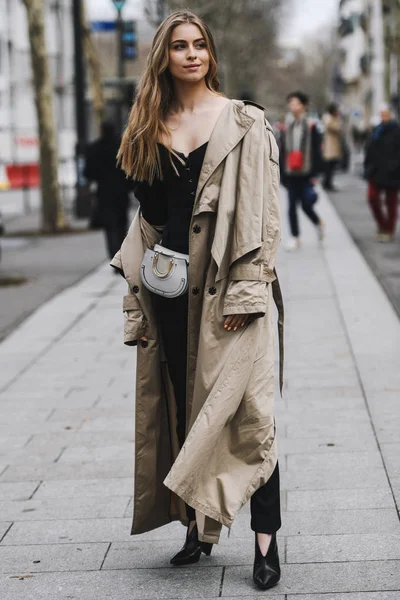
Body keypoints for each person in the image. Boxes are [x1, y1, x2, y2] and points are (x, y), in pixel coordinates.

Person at [110, 10, 283, 592]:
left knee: (249, 414)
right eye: (180, 46)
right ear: (163, 56)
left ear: (210, 53)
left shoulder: (244, 123)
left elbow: (261, 217)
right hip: (170, 294)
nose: (191, 54)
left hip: (230, 291)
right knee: (186, 408)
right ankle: (194, 530)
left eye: (199, 45)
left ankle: (266, 540)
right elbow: (150, 222)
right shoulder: (147, 126)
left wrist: (247, 290)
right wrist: (137, 299)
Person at [280, 90, 324, 251]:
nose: (292, 106)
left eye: (296, 103)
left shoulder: (311, 125)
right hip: (291, 172)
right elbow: (283, 150)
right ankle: (295, 237)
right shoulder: (288, 125)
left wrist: (315, 174)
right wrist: (282, 173)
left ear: (303, 105)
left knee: (306, 204)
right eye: (290, 103)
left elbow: (317, 151)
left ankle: (317, 222)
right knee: (291, 206)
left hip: (306, 172)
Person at [84, 121, 131, 259]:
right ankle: (123, 253)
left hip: (104, 192)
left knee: (109, 226)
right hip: (121, 191)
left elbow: (88, 173)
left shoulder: (94, 148)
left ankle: (114, 255)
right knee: (122, 223)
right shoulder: (123, 147)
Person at [364, 105, 400, 242]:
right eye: (381, 114)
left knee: (391, 203)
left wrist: (394, 166)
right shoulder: (377, 130)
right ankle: (382, 224)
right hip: (376, 171)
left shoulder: (397, 131)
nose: (383, 116)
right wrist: (368, 166)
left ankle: (389, 229)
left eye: (386, 114)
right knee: (372, 198)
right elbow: (369, 148)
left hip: (393, 173)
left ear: (391, 115)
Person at [322, 102, 342, 191]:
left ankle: (328, 182)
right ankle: (327, 183)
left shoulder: (332, 118)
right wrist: (336, 119)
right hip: (329, 147)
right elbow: (336, 128)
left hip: (332, 146)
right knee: (329, 167)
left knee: (331, 166)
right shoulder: (329, 118)